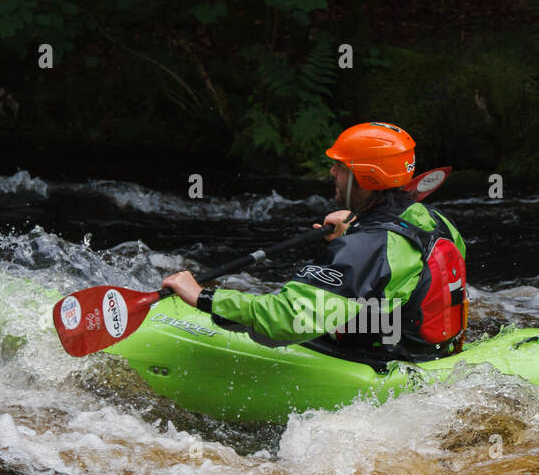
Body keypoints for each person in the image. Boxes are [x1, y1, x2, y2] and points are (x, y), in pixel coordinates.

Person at [162, 122, 468, 365]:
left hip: (380, 361)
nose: (332, 172)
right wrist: (358, 225)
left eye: (341, 167)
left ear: (366, 177)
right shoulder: (433, 219)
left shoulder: (365, 247)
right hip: (433, 354)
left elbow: (287, 319)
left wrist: (203, 297)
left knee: (259, 324)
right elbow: (397, 265)